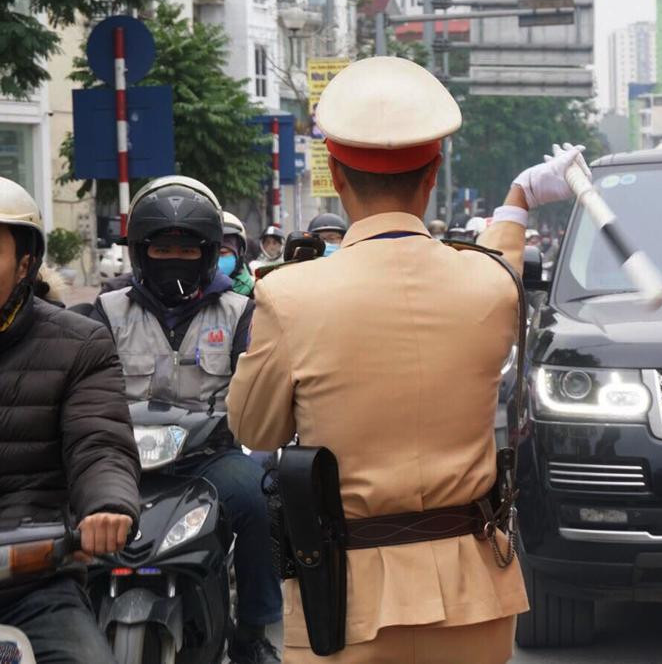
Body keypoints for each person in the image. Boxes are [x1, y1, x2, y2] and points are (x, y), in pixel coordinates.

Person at [226, 56, 588, 664]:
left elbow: (253, 429)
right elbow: (497, 263)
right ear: (434, 172)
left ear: (336, 176)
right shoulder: (489, 286)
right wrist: (519, 198)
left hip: (344, 601)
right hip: (472, 593)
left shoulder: (289, 294)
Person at [91, 176, 282, 664]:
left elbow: (260, 383)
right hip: (120, 459)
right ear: (139, 251)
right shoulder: (106, 310)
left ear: (209, 251)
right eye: (162, 247)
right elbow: (79, 387)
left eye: (187, 247)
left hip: (208, 458)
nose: (174, 256)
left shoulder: (241, 311)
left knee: (261, 501)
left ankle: (254, 631)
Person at [0, 177, 140, 664]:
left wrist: (107, 506)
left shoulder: (81, 344)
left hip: (32, 577)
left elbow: (98, 443)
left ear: (24, 264)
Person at [220, 212, 256, 296]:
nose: (215, 260)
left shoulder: (256, 295)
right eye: (210, 252)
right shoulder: (190, 293)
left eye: (222, 252)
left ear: (240, 253)